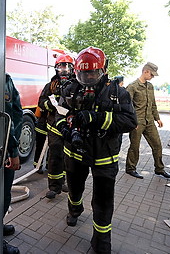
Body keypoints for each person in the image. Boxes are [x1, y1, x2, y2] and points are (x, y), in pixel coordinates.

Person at [55, 47, 137, 253]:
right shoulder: (70, 89)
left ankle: (101, 241)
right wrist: (65, 128)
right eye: (84, 73)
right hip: (74, 152)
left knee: (103, 200)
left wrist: (97, 118)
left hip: (104, 156)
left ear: (104, 70)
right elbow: (59, 114)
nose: (89, 77)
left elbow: (130, 121)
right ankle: (75, 209)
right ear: (77, 72)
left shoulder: (118, 93)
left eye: (93, 73)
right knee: (74, 189)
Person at [125, 62, 170, 179]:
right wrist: (132, 122)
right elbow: (126, 106)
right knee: (134, 146)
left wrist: (157, 118)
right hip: (137, 122)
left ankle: (159, 169)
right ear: (145, 71)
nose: (152, 77)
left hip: (150, 121)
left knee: (157, 145)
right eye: (152, 74)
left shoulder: (150, 86)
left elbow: (153, 104)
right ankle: (130, 168)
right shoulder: (132, 86)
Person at [37, 53, 75, 199]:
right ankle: (54, 187)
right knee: (54, 157)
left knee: (69, 157)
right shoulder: (51, 86)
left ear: (73, 69)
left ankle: (64, 182)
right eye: (61, 67)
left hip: (69, 126)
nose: (64, 70)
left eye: (67, 67)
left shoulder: (77, 85)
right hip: (53, 126)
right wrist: (52, 106)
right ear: (56, 69)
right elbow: (41, 102)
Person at [3, 73, 22, 254]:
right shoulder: (0, 79)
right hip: (2, 150)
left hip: (5, 145)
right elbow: (6, 117)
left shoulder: (6, 79)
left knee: (3, 195)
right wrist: (13, 151)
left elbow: (16, 114)